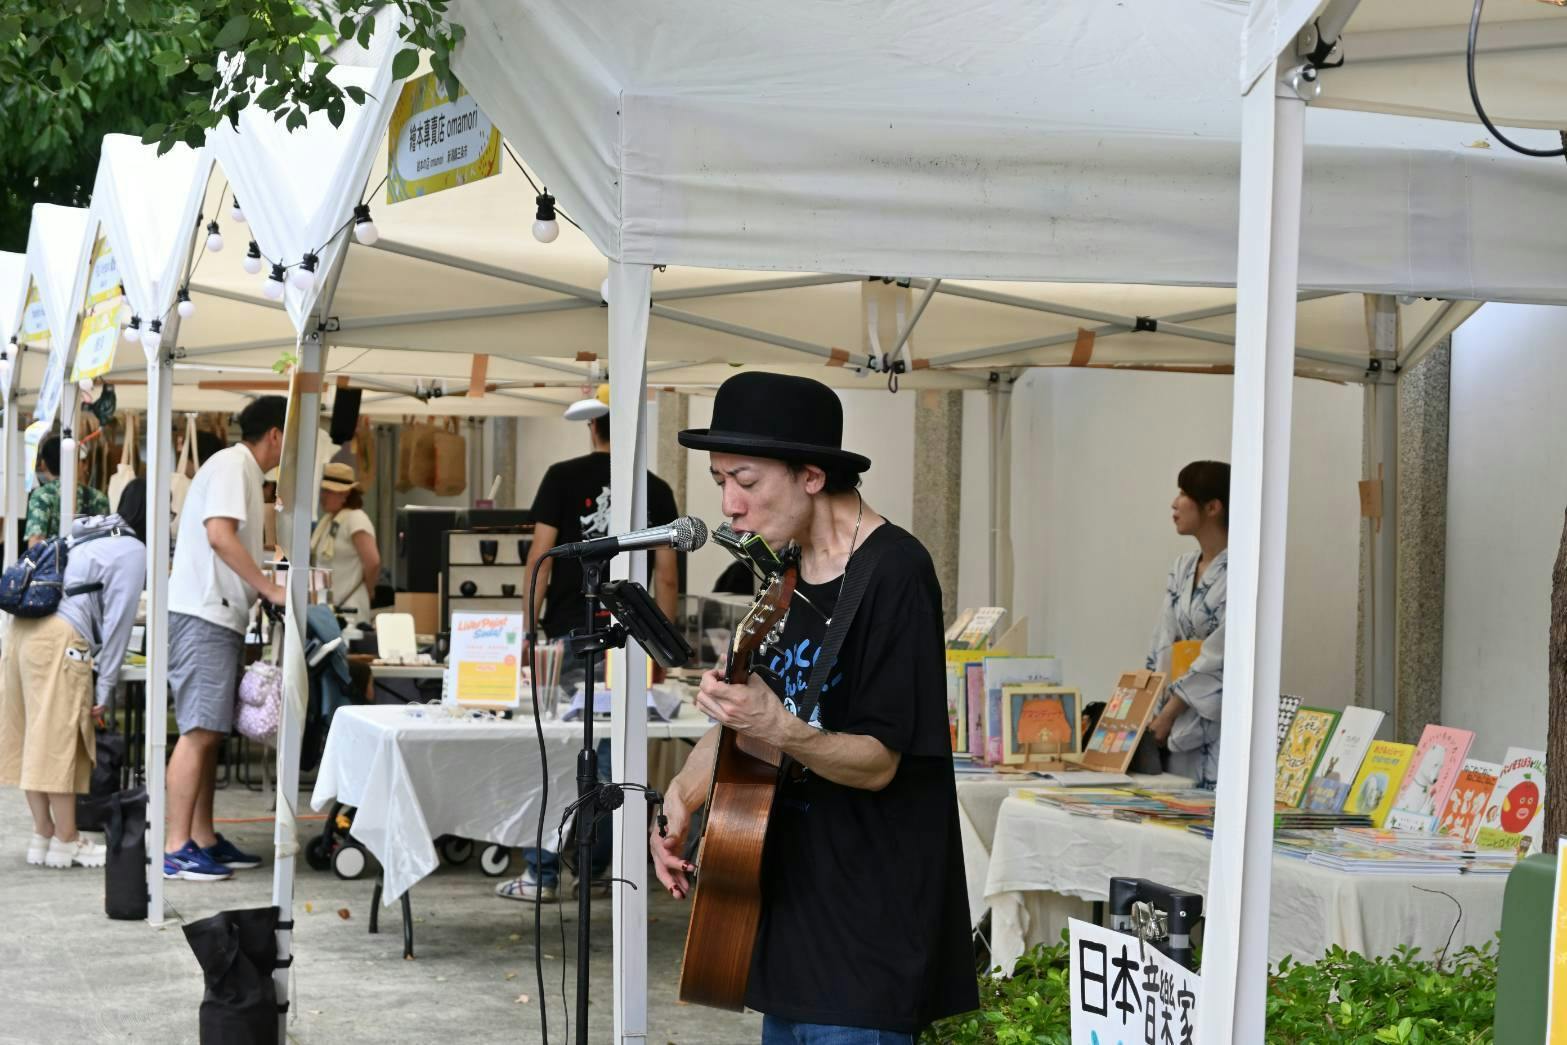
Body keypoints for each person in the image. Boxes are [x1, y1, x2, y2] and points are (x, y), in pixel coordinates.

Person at [651, 372, 978, 1042]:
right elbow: (748, 713)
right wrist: (683, 794)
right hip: (788, 926)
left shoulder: (895, 573)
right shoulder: (787, 573)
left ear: (810, 475)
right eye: (719, 481)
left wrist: (777, 726)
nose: (729, 505)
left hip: (867, 941)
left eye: (745, 480)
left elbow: (879, 762)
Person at [496, 386, 681, 905]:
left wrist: (526, 634)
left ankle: (543, 874)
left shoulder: (562, 476)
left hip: (570, 635)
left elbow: (541, 559)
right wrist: (663, 647)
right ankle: (599, 870)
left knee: (562, 752)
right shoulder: (655, 488)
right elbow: (667, 575)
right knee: (614, 756)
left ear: (591, 426)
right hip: (633, 640)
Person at [162, 396, 288, 882]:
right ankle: (176, 848)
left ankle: (203, 838)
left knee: (210, 732)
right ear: (274, 434)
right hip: (204, 613)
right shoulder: (234, 465)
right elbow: (219, 534)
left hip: (218, 614)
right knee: (198, 731)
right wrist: (268, 587)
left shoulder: (242, 471)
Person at [0, 511, 145, 869]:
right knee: (58, 740)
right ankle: (67, 839)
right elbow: (119, 622)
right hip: (62, 637)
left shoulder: (85, 535)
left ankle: (43, 833)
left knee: (32, 735)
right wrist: (105, 688)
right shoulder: (132, 549)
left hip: (20, 632)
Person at [1144, 460, 1229, 788]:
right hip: (1170, 715)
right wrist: (1150, 707)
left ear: (1212, 507)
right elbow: (1163, 640)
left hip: (1212, 717)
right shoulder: (1182, 567)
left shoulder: (1242, 570)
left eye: (1183, 494)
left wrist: (1170, 712)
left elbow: (1220, 655)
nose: (1174, 503)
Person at [310, 462, 379, 627]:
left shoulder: (356, 518)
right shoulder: (327, 521)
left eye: (329, 491)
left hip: (350, 607)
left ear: (345, 494)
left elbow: (373, 562)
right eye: (323, 490)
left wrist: (368, 590)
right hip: (327, 608)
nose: (323, 496)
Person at [26, 435, 110, 548]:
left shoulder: (42, 496)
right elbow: (107, 537)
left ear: (43, 464)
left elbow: (36, 541)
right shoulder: (98, 497)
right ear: (75, 462)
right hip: (91, 558)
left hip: (56, 558)